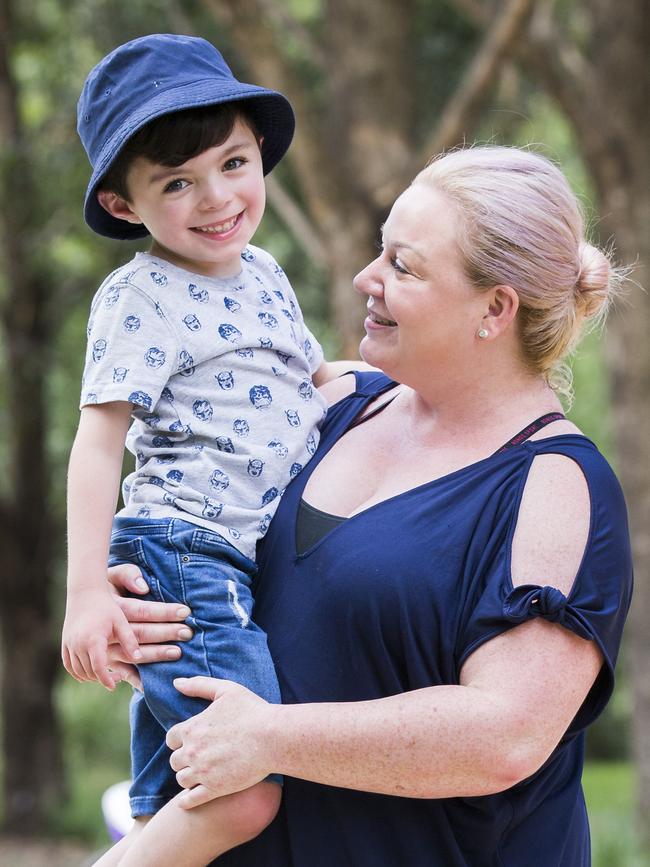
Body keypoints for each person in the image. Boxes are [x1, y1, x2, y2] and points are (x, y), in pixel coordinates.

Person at [107, 146, 633, 867]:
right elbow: (200, 528)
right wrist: (141, 598)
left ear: (495, 309)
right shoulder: (328, 405)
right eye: (379, 253)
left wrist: (270, 736)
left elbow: (503, 734)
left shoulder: (555, 484)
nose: (367, 279)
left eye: (404, 266)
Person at [61, 33, 347, 867]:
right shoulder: (140, 295)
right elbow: (96, 442)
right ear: (124, 205)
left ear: (259, 154)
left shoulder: (264, 273)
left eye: (232, 164)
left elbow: (312, 379)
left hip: (237, 556)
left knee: (174, 812)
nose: (216, 198)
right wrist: (85, 592)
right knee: (244, 786)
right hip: (184, 551)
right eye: (176, 182)